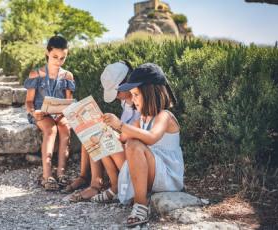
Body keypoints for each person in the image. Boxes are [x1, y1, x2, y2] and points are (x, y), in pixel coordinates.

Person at [101, 63, 184, 227]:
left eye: (136, 94)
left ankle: (141, 204)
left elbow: (152, 137)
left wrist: (120, 125)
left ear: (150, 92)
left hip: (167, 175)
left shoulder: (165, 116)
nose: (133, 99)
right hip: (150, 171)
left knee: (133, 144)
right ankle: (115, 186)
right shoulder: (142, 119)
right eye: (131, 94)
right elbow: (123, 137)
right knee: (107, 139)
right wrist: (106, 131)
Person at [67, 61, 140, 202]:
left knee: (102, 137)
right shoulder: (125, 102)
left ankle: (110, 185)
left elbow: (134, 134)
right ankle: (93, 181)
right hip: (123, 147)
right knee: (91, 133)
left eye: (117, 92)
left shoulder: (140, 103)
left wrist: (116, 128)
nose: (117, 96)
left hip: (132, 153)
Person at [24, 35, 75, 191]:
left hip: (60, 113)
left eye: (62, 58)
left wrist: (64, 113)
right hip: (41, 112)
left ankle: (61, 172)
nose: (58, 61)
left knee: (65, 127)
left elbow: (68, 102)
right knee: (51, 129)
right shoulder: (36, 74)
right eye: (55, 57)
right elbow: (29, 102)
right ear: (47, 52)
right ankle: (47, 175)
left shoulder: (67, 76)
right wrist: (34, 113)